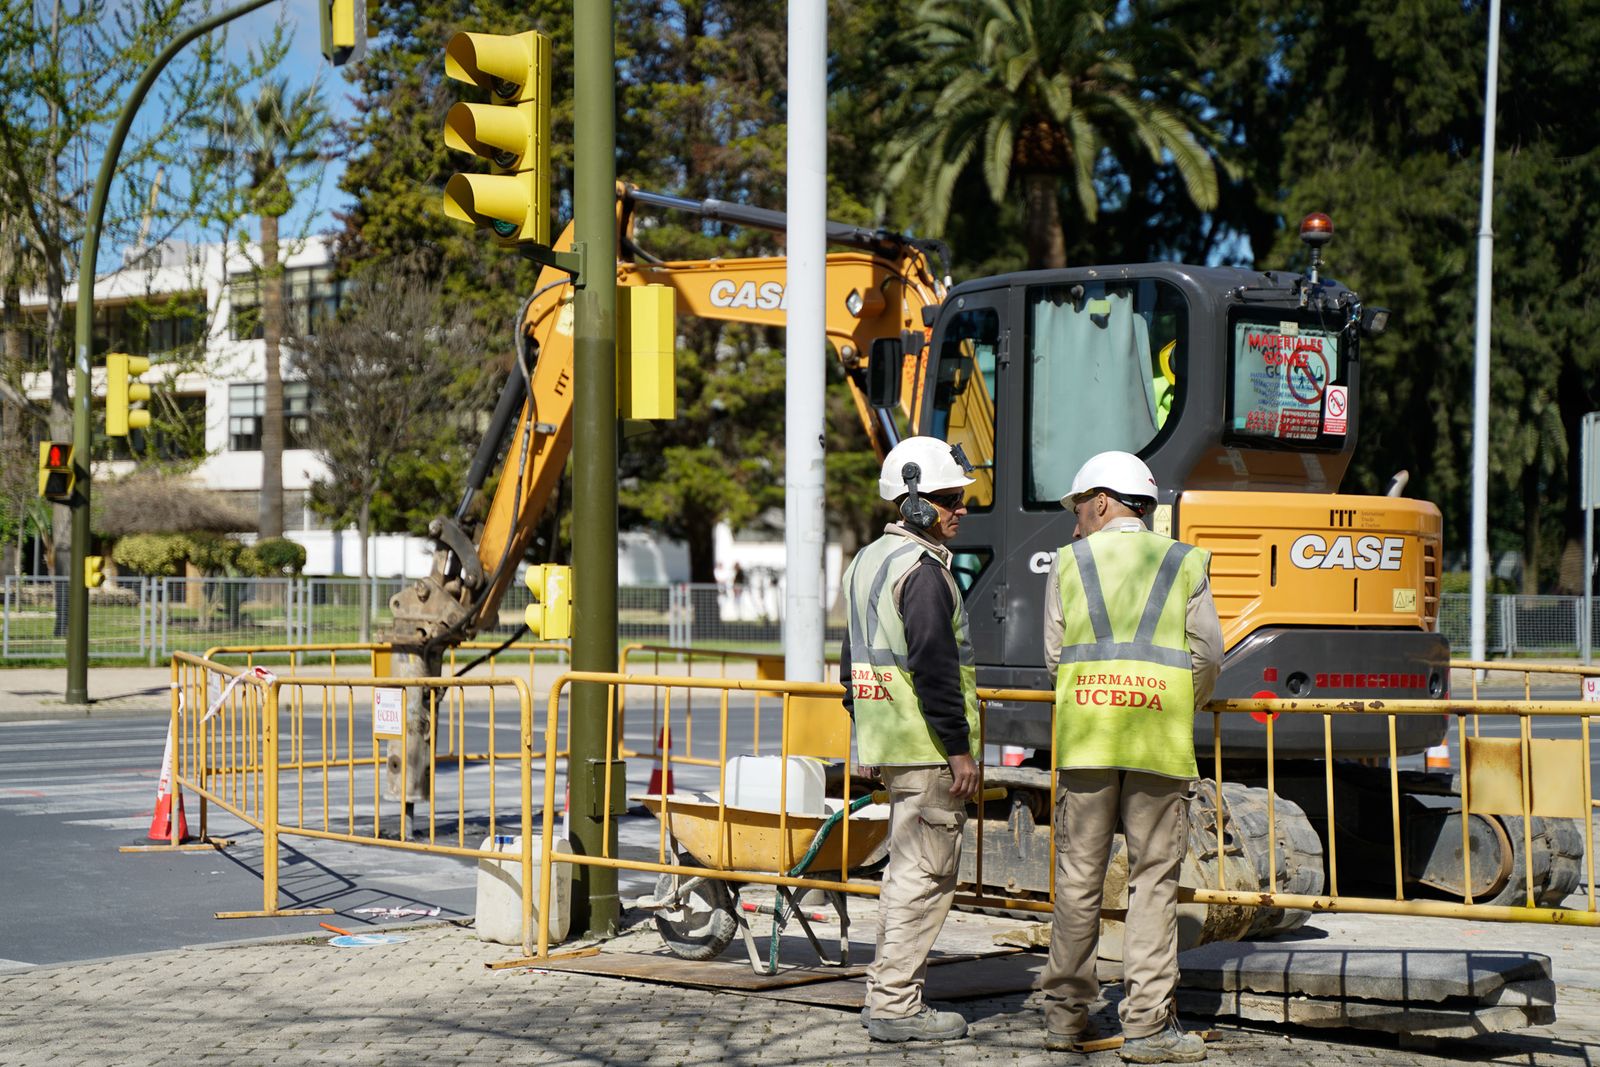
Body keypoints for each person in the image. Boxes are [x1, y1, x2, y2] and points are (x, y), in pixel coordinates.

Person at [1038, 450, 1222, 1064]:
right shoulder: (1184, 561)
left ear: (1102, 502)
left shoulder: (1068, 564)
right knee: (1153, 883)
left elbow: (1055, 657)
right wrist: (1173, 703)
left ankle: (1066, 1017)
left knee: (1078, 880)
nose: (1074, 526)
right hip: (1157, 743)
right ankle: (1146, 1024)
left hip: (1088, 739)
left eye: (1078, 511)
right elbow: (1208, 656)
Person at [841, 435, 983, 1044]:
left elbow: (852, 663)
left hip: (892, 738)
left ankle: (888, 995)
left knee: (907, 870)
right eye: (952, 499)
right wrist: (959, 749)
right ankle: (897, 1005)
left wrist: (866, 739)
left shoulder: (866, 560)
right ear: (917, 502)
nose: (962, 510)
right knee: (922, 875)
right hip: (928, 748)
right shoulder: (923, 573)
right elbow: (933, 668)